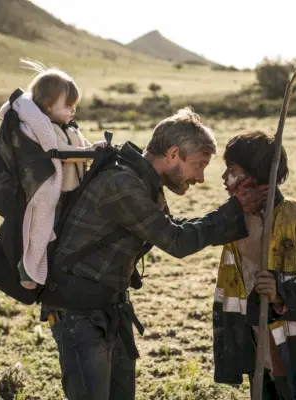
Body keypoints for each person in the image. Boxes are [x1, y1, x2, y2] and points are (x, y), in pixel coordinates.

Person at [38, 108, 267, 400]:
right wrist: (233, 210)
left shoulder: (144, 182)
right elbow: (175, 240)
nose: (200, 178)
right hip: (79, 312)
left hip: (108, 307)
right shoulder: (122, 183)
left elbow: (171, 228)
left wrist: (230, 213)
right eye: (198, 165)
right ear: (173, 154)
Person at [212, 129, 296, 400]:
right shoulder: (236, 218)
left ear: (257, 178)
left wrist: (281, 292)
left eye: (232, 170)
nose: (224, 179)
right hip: (258, 342)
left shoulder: (293, 216)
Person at [0, 60, 106, 290]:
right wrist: (88, 153)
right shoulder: (46, 130)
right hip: (53, 192)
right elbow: (60, 153)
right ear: (47, 106)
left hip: (72, 190)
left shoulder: (70, 127)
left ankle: (59, 267)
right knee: (43, 231)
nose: (72, 110)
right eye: (67, 105)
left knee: (64, 231)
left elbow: (81, 144)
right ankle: (28, 268)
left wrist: (93, 148)